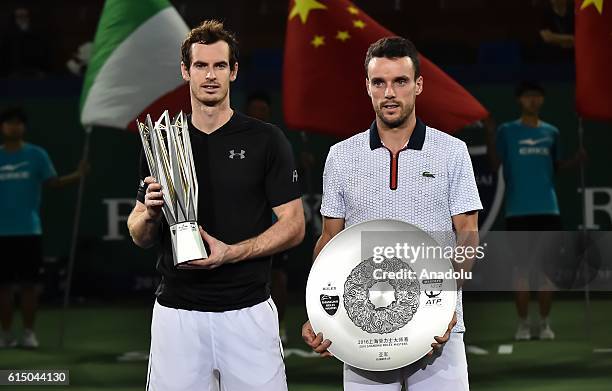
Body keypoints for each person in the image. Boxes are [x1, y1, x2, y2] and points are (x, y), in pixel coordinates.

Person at [127, 20, 304, 391]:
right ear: (185, 71)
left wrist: (232, 253)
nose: (210, 75)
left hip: (248, 311)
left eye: (219, 66)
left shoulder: (266, 140)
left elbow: (294, 225)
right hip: (178, 315)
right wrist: (150, 213)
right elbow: (140, 234)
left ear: (233, 71)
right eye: (201, 66)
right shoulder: (163, 143)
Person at [301, 37, 482, 391]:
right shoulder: (341, 156)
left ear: (418, 85)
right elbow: (330, 239)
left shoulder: (452, 151)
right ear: (366, 86)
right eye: (379, 82)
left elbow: (468, 232)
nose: (389, 92)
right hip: (362, 330)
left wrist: (444, 305)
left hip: (437, 331)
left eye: (400, 81)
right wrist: (318, 311)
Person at [493, 81, 585, 341]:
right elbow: (495, 163)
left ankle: (544, 324)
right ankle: (523, 324)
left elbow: (555, 166)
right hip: (518, 212)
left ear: (542, 100)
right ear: (519, 100)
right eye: (527, 96)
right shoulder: (506, 131)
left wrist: (575, 161)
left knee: (547, 272)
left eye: (537, 96)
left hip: (549, 210)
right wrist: (489, 132)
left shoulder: (552, 132)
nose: (532, 100)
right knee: (521, 271)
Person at [0, 107, 87, 349]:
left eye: (18, 123)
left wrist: (78, 175)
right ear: (2, 127)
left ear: (23, 127)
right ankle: (5, 334)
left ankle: (28, 333)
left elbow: (53, 182)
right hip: (1, 234)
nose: (13, 127)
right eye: (9, 123)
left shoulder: (36, 155)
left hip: (28, 231)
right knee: (3, 289)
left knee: (29, 286)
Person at [245, 91, 291, 344]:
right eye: (255, 109)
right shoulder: (237, 140)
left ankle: (279, 325)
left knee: (278, 276)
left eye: (263, 110)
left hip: (275, 224)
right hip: (246, 225)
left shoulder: (277, 141)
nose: (259, 114)